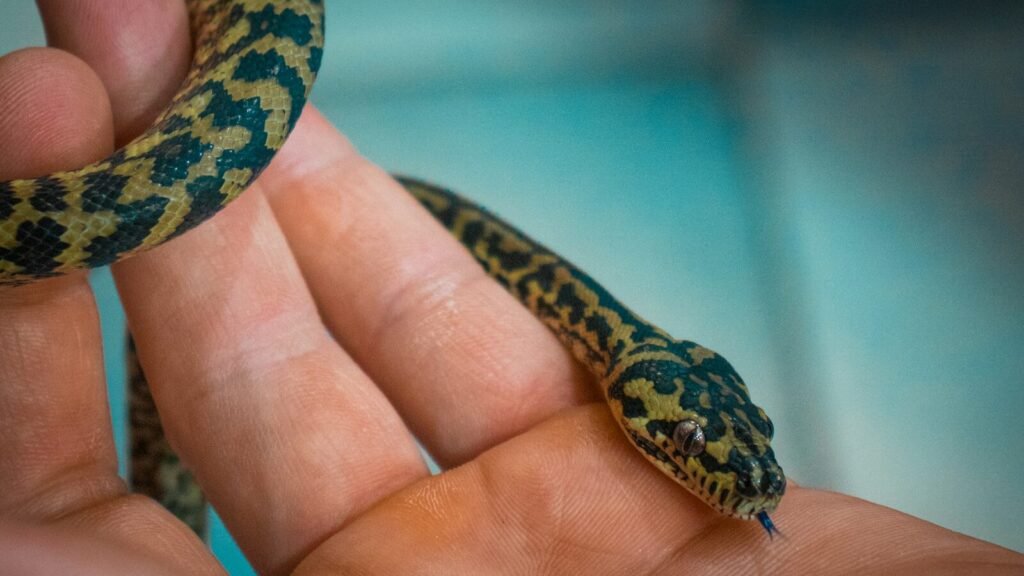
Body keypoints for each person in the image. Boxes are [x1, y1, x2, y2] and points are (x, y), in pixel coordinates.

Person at [0, 2, 1020, 574]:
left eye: (715, 447)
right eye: (703, 444)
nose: (730, 473)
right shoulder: (630, 363)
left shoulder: (655, 378)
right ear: (652, 396)